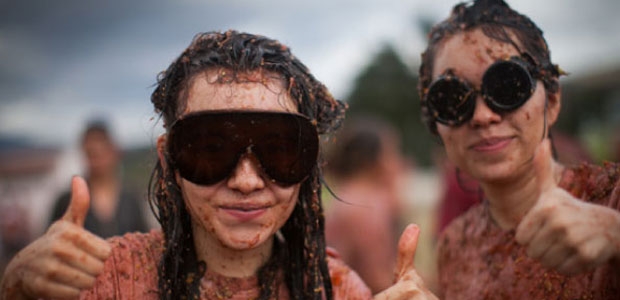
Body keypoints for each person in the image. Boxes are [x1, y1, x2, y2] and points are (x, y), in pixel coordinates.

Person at [0, 30, 436, 300]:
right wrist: (16, 289)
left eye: (280, 149)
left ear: (308, 164)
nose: (247, 181)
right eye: (210, 149)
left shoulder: (337, 290)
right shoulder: (103, 282)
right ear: (168, 159)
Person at [417, 0, 620, 298]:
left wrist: (614, 234)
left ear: (551, 103)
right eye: (451, 98)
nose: (483, 116)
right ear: (438, 127)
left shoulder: (612, 198)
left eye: (507, 86)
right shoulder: (454, 244)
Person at [324, 115, 409, 294]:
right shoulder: (365, 207)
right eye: (392, 152)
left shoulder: (347, 196)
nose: (399, 162)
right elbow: (379, 280)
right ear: (375, 160)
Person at [48, 119, 150, 238]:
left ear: (114, 152)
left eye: (102, 152)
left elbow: (144, 238)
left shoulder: (131, 198)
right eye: (92, 153)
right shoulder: (67, 200)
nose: (98, 161)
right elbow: (51, 241)